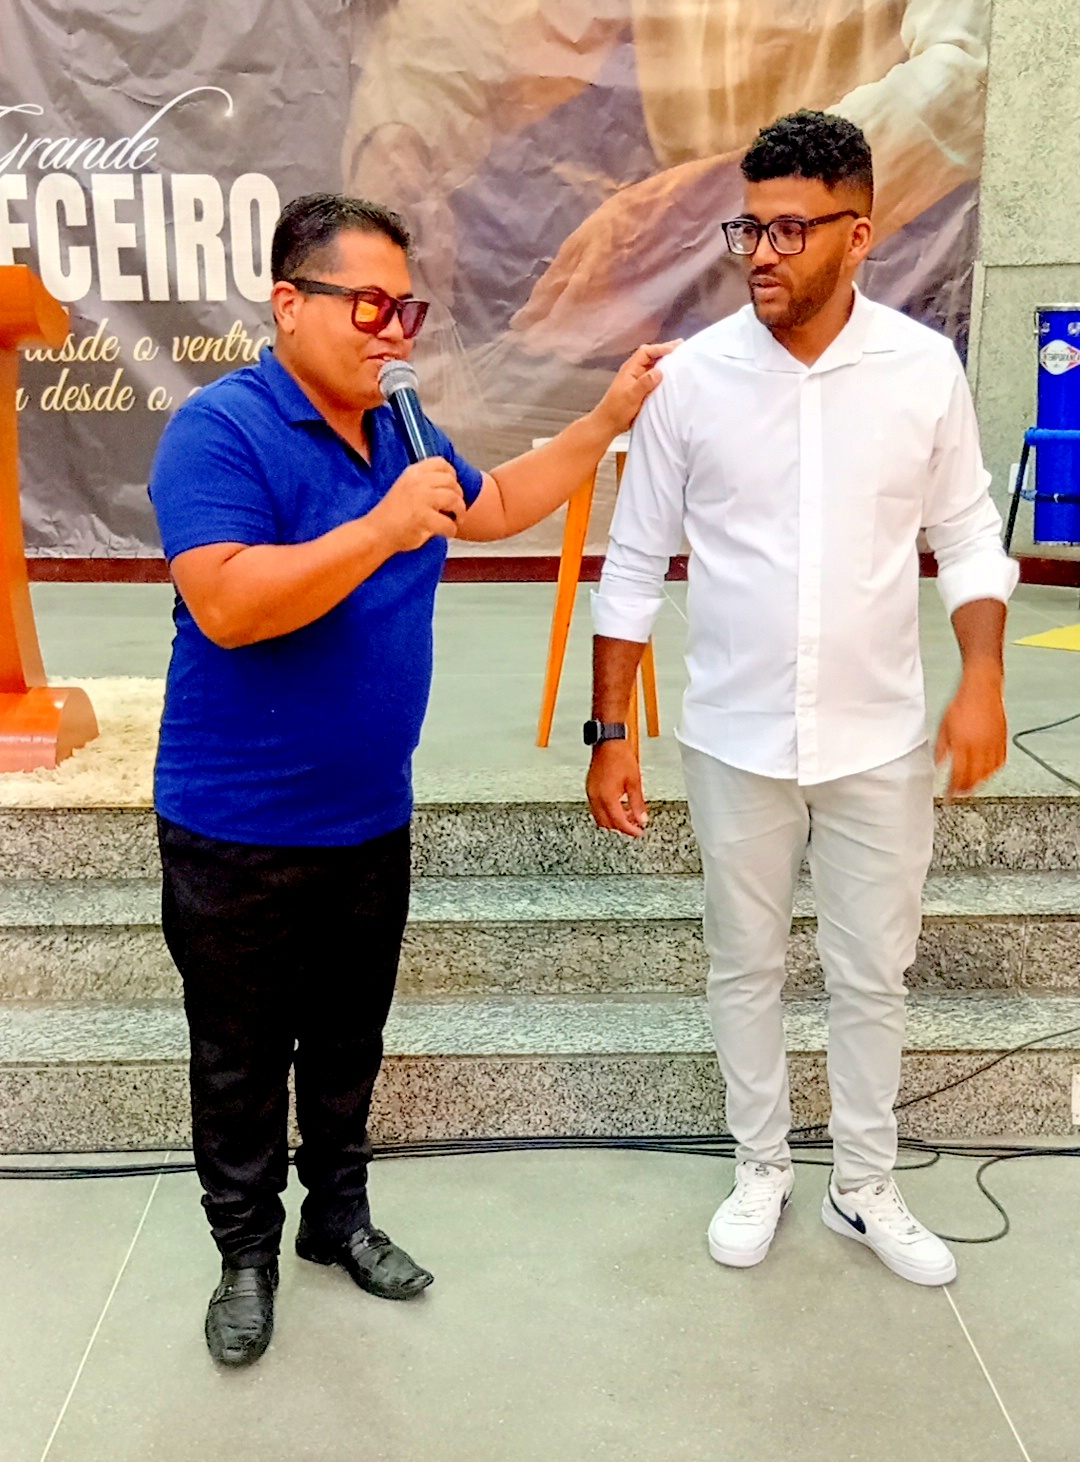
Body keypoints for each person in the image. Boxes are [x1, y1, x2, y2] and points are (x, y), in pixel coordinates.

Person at [148, 192, 673, 1367]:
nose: (394, 332)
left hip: (368, 819)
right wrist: (384, 527)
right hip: (235, 827)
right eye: (369, 305)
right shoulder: (218, 431)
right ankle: (245, 1253)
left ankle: (338, 1219)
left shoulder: (403, 427)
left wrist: (605, 417)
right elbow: (227, 603)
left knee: (347, 1045)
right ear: (290, 304)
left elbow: (497, 505)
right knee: (238, 1061)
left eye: (406, 309)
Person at [585, 112, 1018, 1287]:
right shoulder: (692, 380)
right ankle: (761, 1165)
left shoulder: (921, 370)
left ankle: (864, 1184)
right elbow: (634, 564)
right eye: (749, 228)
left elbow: (968, 537)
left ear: (858, 234)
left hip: (879, 737)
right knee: (746, 964)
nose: (761, 253)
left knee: (875, 971)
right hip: (734, 735)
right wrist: (610, 731)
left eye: (790, 230)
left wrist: (983, 678)